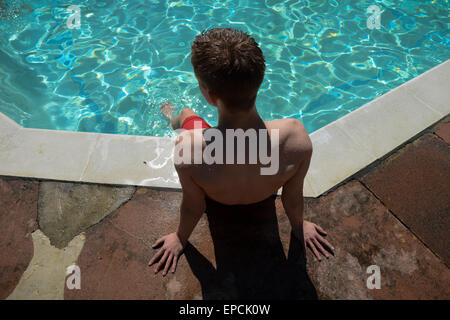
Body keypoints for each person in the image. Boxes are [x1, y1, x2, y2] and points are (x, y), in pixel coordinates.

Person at [149, 28, 334, 276]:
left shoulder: (189, 148)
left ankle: (170, 116)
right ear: (259, 82)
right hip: (263, 192)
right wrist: (299, 226)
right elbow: (292, 194)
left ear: (210, 95)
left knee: (187, 115)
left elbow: (194, 205)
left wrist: (181, 238)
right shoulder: (294, 138)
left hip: (218, 198)